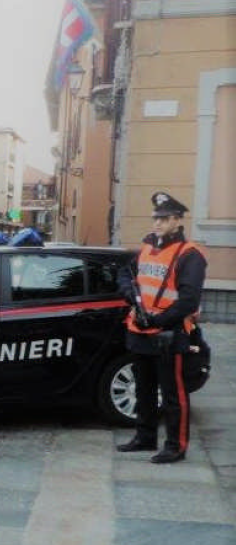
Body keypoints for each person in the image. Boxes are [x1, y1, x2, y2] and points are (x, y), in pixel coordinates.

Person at [116, 191, 208, 464]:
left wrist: (156, 320)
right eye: (155, 218)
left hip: (170, 333)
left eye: (164, 219)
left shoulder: (190, 254)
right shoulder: (147, 248)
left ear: (178, 221)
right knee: (143, 390)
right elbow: (125, 273)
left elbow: (189, 300)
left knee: (173, 394)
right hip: (139, 331)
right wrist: (129, 296)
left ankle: (175, 446)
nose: (157, 223)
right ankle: (145, 437)